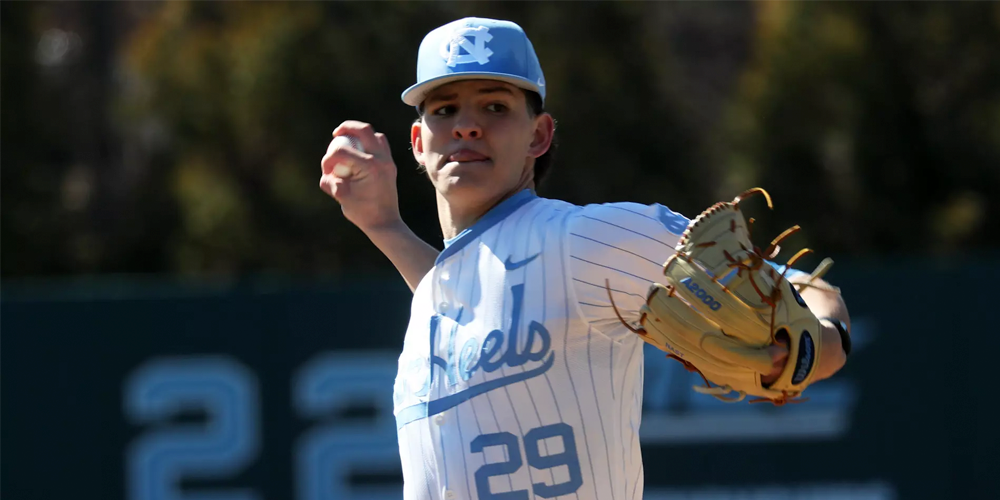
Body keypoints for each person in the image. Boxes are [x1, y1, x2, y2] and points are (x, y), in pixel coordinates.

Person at [319, 17, 850, 500]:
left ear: (539, 135)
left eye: (495, 106)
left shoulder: (584, 240)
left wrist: (814, 345)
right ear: (418, 142)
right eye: (444, 109)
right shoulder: (440, 293)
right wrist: (384, 226)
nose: (466, 125)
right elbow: (464, 295)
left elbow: (806, 292)